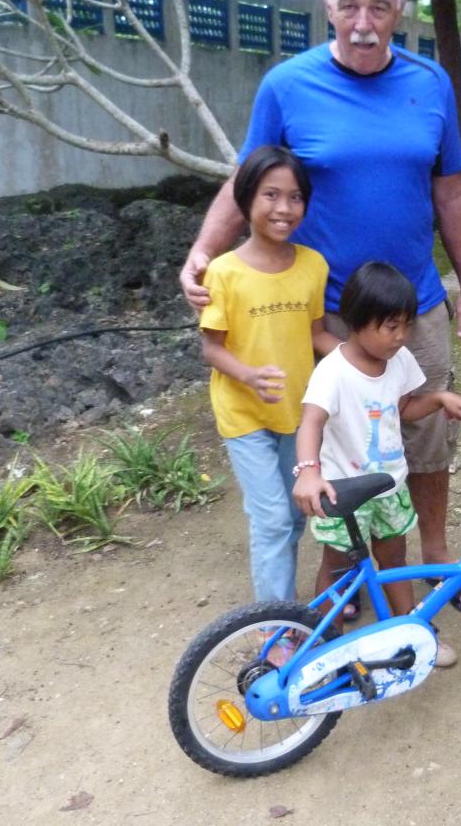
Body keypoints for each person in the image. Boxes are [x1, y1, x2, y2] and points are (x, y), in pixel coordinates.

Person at [179, 0, 461, 615]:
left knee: (426, 437)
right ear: (328, 9)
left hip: (413, 306)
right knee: (335, 444)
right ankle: (344, 577)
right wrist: (203, 252)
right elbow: (249, 182)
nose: (363, 21)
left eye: (378, 6)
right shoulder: (287, 86)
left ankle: (434, 558)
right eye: (348, 5)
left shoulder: (430, 82)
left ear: (399, 12)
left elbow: (453, 190)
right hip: (319, 314)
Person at [292, 262, 461, 668]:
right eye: (391, 326)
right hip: (342, 493)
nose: (401, 336)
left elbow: (406, 408)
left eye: (406, 325)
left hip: (390, 487)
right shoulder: (333, 372)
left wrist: (442, 399)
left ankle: (410, 636)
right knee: (336, 567)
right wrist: (308, 470)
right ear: (358, 320)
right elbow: (311, 422)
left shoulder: (399, 360)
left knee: (395, 561)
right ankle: (319, 646)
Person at [197, 146, 337, 606]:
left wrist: (368, 363)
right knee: (273, 518)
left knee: (295, 516)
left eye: (295, 197)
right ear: (245, 200)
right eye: (271, 194)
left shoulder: (313, 265)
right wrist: (250, 375)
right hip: (244, 416)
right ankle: (276, 627)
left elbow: (316, 334)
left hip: (296, 414)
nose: (284, 208)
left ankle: (282, 599)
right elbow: (211, 348)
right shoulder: (224, 272)